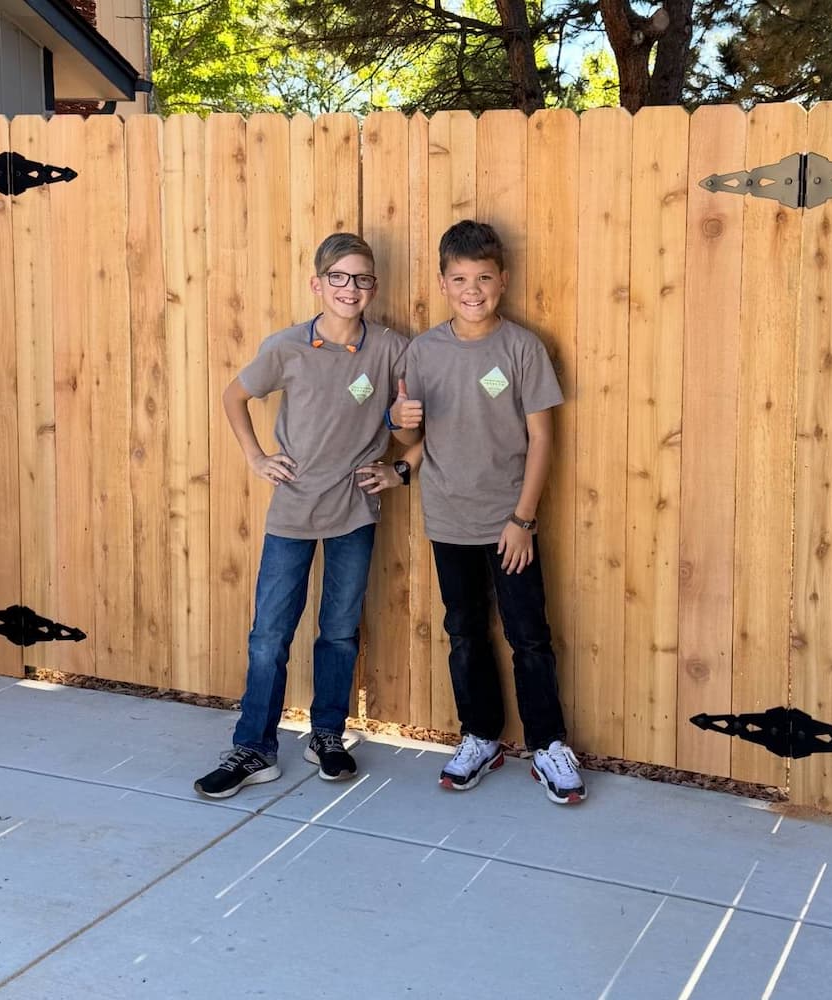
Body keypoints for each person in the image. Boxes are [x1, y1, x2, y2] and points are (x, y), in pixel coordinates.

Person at [195, 232, 414, 799]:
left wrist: (400, 469)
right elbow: (233, 397)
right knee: (269, 635)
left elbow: (419, 426)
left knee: (338, 632)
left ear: (373, 286)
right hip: (292, 510)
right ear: (318, 284)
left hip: (354, 512)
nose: (350, 288)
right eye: (338, 277)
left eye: (362, 277)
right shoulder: (287, 347)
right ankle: (255, 748)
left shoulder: (392, 348)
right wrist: (256, 457)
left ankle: (327, 736)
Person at [387, 219, 586, 805]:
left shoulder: (523, 348)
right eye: (459, 279)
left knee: (529, 635)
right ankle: (480, 735)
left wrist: (523, 519)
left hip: (509, 523)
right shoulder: (422, 351)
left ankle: (548, 744)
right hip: (448, 519)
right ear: (444, 284)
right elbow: (410, 439)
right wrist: (400, 427)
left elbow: (543, 439)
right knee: (465, 632)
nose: (472, 289)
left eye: (483, 278)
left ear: (502, 280)